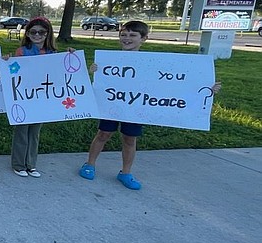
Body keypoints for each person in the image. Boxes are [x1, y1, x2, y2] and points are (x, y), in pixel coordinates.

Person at [78, 20, 220, 190]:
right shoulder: (109, 61)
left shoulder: (152, 63)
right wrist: (93, 70)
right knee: (103, 134)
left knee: (130, 139)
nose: (127, 38)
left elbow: (175, 84)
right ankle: (90, 164)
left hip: (137, 107)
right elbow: (97, 84)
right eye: (123, 35)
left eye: (132, 35)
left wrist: (206, 87)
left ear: (144, 38)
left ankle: (125, 172)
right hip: (112, 104)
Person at [9, 16, 60, 178]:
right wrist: (6, 62)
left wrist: (70, 56)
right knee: (22, 131)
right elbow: (12, 70)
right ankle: (18, 164)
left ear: (48, 33)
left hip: (42, 99)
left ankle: (31, 164)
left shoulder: (53, 53)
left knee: (35, 133)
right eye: (33, 32)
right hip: (23, 96)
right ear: (28, 34)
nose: (37, 35)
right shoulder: (22, 51)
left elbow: (60, 73)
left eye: (41, 32)